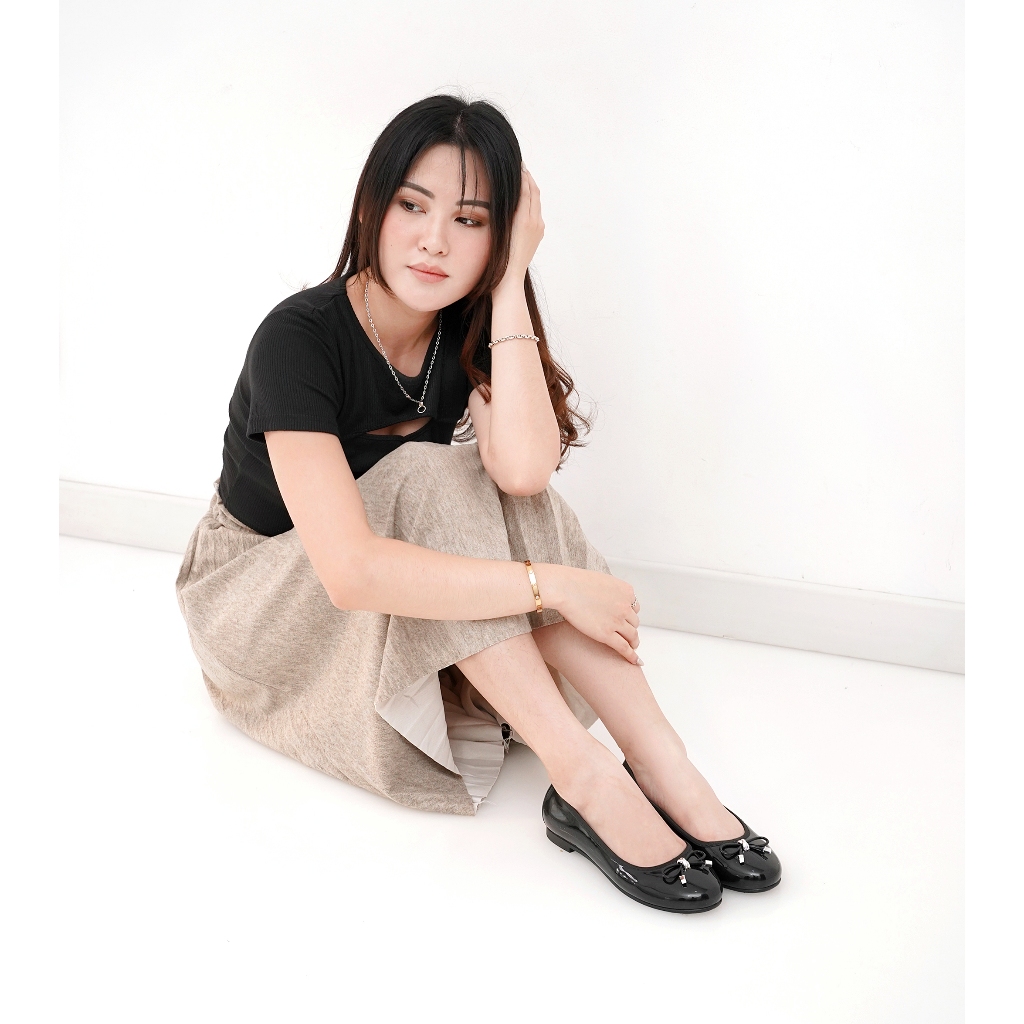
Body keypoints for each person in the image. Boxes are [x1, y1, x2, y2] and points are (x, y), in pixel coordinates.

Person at [176, 94, 781, 913]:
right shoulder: (299, 337)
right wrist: (553, 586)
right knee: (431, 474)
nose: (435, 240)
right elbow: (350, 572)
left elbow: (524, 472)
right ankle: (584, 776)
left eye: (469, 221)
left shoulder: (463, 327)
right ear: (371, 208)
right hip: (261, 607)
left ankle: (660, 759)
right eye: (412, 207)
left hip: (378, 600)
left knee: (482, 476)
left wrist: (510, 282)